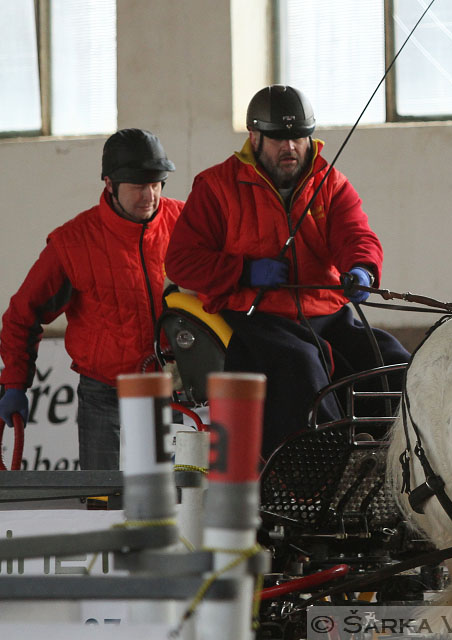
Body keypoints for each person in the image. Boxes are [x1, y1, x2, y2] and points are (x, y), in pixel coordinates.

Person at [165, 85, 409, 456]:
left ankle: (390, 459)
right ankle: (324, 467)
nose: (290, 146)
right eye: (278, 138)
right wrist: (244, 272)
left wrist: (362, 269)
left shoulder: (332, 184)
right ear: (254, 137)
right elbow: (181, 261)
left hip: (325, 310)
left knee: (391, 358)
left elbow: (356, 235)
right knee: (300, 365)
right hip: (256, 316)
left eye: (298, 136)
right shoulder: (215, 187)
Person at [0, 129, 182, 469]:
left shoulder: (186, 226)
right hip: (103, 392)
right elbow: (22, 313)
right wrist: (14, 383)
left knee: (174, 498)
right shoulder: (73, 244)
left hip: (172, 388)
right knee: (101, 495)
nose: (150, 195)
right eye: (138, 185)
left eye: (156, 184)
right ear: (110, 184)